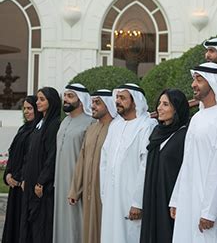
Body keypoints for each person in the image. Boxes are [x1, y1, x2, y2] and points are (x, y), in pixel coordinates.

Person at [169, 63, 217, 243]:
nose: (193, 85)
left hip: (207, 205)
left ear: (213, 83)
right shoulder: (198, 117)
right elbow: (188, 161)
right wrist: (176, 198)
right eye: (194, 79)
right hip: (188, 198)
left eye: (199, 80)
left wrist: (209, 211)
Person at [99, 83, 157, 243]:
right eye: (117, 97)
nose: (117, 101)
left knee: (131, 236)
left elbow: (146, 166)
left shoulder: (147, 126)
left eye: (122, 98)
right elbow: (104, 161)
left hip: (131, 198)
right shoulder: (115, 125)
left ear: (135, 101)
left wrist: (138, 202)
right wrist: (104, 193)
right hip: (111, 197)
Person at [67, 89, 117, 243]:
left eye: (97, 103)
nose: (93, 106)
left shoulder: (116, 128)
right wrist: (75, 190)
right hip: (89, 191)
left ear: (108, 105)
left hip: (106, 191)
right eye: (92, 102)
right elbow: (82, 160)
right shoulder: (91, 129)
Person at [140, 89, 190, 243]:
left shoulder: (184, 135)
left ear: (177, 109)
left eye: (166, 104)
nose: (159, 108)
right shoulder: (157, 132)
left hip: (171, 202)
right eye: (159, 103)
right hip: (153, 197)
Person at [20, 87, 61, 243]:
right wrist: (25, 177)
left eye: (42, 99)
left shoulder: (53, 125)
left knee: (41, 226)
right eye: (37, 99)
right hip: (30, 182)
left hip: (40, 186)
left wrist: (41, 182)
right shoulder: (40, 123)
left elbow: (51, 156)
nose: (38, 102)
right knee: (29, 223)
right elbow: (29, 154)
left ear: (52, 102)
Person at [53, 83, 94, 243]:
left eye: (71, 96)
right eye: (65, 96)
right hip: (60, 182)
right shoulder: (64, 122)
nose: (66, 100)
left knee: (76, 223)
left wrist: (80, 185)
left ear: (81, 100)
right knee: (61, 222)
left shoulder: (90, 122)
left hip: (77, 183)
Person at [2, 96, 42, 243]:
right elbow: (13, 154)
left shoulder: (38, 131)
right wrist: (8, 175)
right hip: (15, 185)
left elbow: (31, 158)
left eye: (30, 108)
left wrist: (19, 179)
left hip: (25, 185)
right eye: (24, 108)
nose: (26, 111)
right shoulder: (23, 129)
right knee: (13, 222)